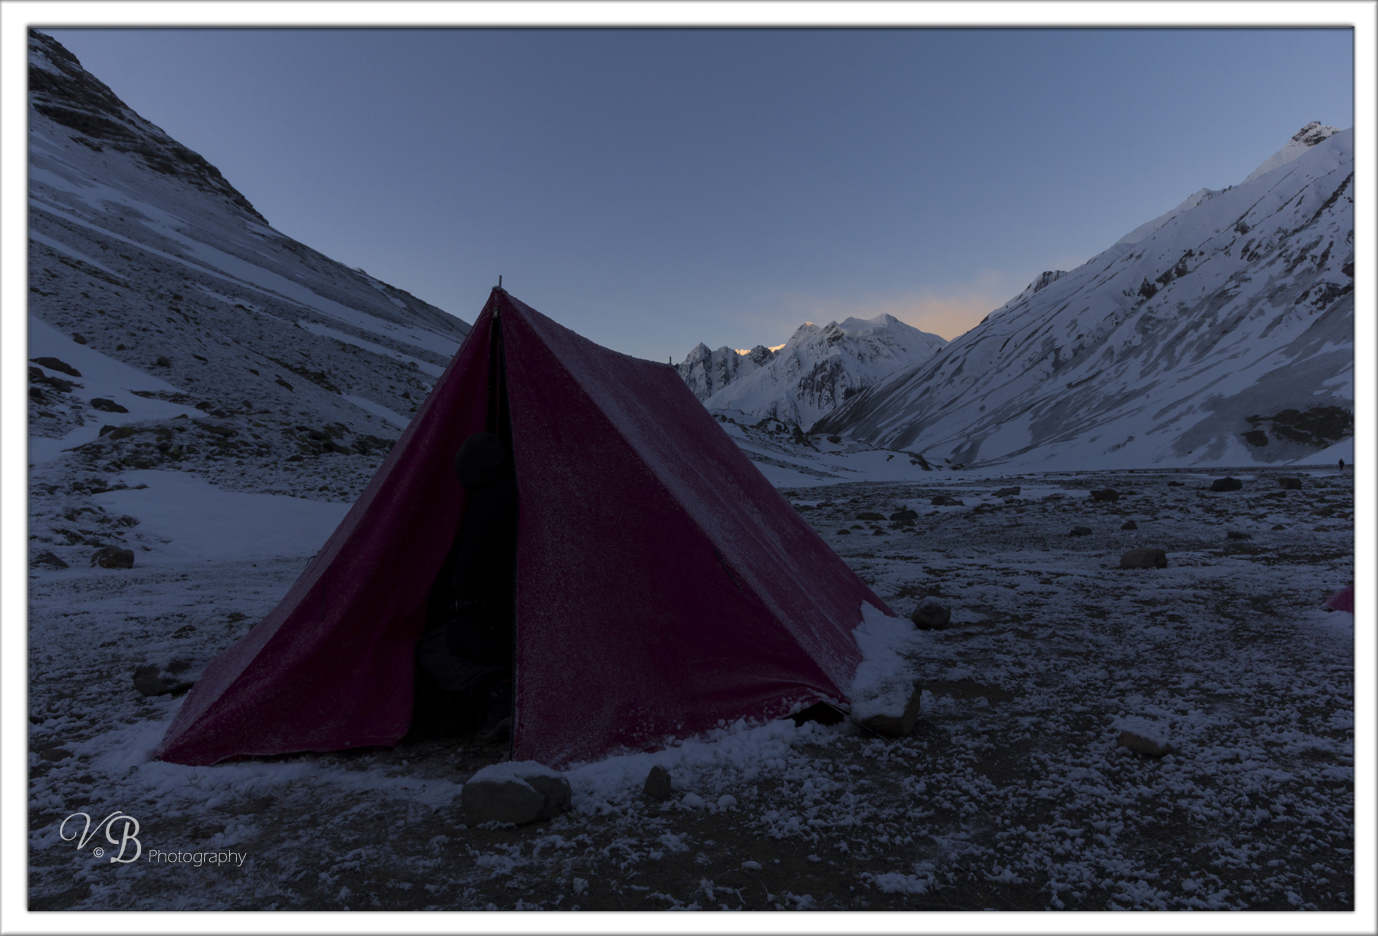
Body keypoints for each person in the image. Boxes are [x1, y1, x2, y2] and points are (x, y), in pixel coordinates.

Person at [414, 432, 518, 742]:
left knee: (430, 647)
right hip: (542, 627)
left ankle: (499, 689)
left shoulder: (487, 508)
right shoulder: (529, 492)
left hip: (501, 629)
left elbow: (467, 579)